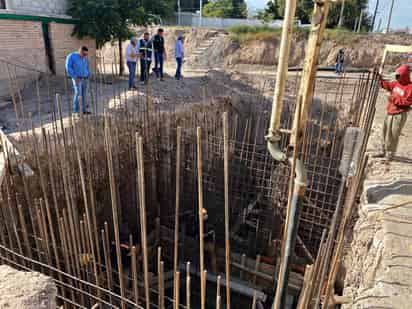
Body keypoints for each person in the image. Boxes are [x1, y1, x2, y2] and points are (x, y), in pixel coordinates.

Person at [376, 64, 412, 160]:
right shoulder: (396, 83)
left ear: (404, 75)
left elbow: (407, 102)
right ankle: (382, 150)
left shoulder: (410, 87)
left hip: (399, 114)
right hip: (390, 111)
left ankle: (390, 153)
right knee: (385, 131)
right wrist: (379, 79)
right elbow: (387, 85)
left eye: (399, 75)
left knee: (393, 134)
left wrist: (392, 98)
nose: (397, 77)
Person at [65, 46, 90, 114]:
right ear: (80, 51)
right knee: (78, 94)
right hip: (77, 78)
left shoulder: (85, 58)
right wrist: (74, 77)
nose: (85, 56)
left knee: (85, 94)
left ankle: (84, 110)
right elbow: (68, 67)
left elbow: (87, 66)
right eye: (84, 54)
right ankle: (76, 110)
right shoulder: (71, 56)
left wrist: (88, 74)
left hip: (85, 78)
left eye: (86, 54)